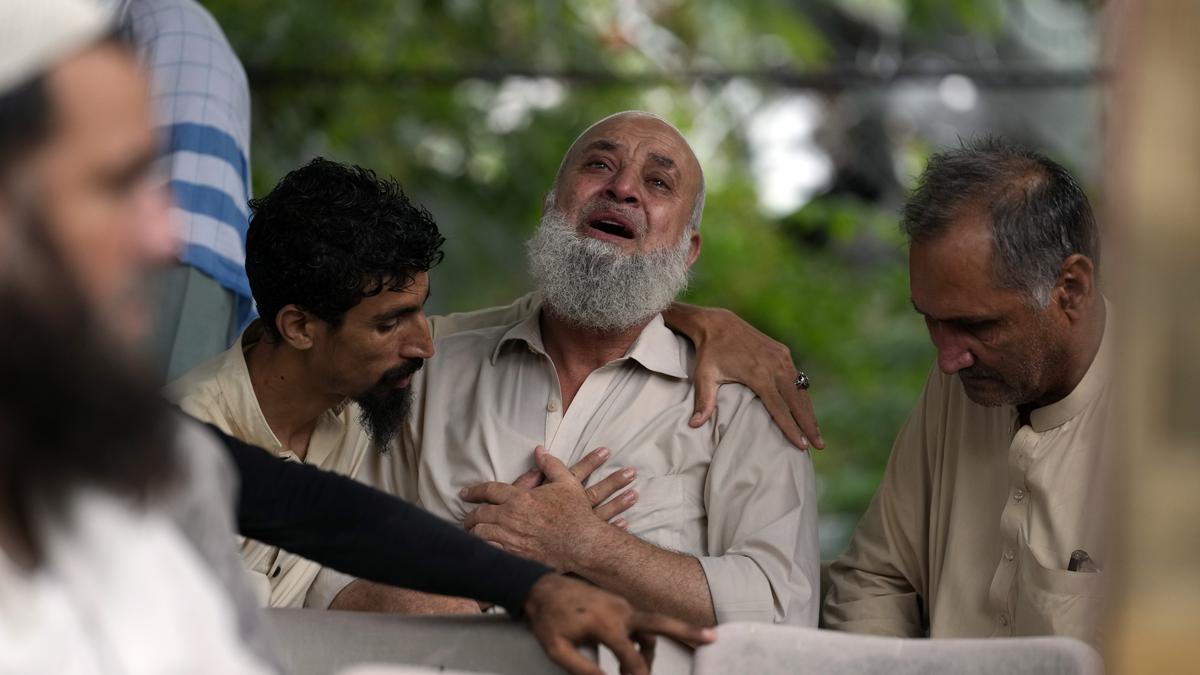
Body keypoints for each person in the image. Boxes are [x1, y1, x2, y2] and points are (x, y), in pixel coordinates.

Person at [0, 2, 712, 673]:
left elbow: (312, 510)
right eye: (111, 185)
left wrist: (535, 580)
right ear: (300, 329)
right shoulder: (181, 437)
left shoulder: (182, 444)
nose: (166, 236)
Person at [168, 156, 822, 612]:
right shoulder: (174, 459)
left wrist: (703, 320)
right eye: (392, 321)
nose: (424, 344)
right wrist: (503, 567)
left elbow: (778, 604)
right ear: (301, 327)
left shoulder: (361, 393)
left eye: (658, 180)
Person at [367, 111, 820, 627]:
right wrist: (470, 586)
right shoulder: (426, 366)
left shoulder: (743, 402)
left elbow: (785, 609)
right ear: (550, 208)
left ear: (688, 249)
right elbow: (322, 552)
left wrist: (588, 546)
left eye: (657, 182)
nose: (623, 188)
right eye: (600, 165)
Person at [822, 137, 1112, 649]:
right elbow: (877, 578)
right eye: (930, 321)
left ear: (1071, 288)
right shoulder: (966, 380)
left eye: (977, 325)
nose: (948, 358)